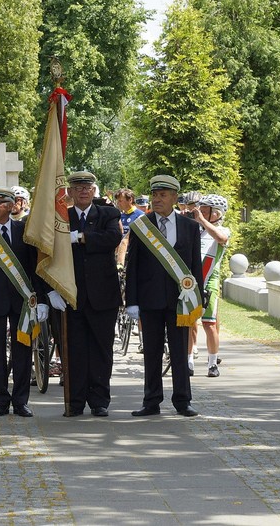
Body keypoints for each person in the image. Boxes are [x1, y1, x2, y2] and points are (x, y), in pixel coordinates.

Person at [125, 174, 203, 417]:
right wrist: (132, 301)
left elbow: (194, 266)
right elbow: (133, 265)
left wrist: (197, 299)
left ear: (174, 198)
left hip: (180, 300)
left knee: (180, 351)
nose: (157, 199)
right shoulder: (142, 226)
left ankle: (183, 400)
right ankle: (151, 401)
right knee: (152, 352)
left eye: (163, 195)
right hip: (150, 299)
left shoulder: (190, 227)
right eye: (155, 195)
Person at [0, 187, 47, 418]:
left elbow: (36, 269)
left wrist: (41, 300)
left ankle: (21, 401)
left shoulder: (26, 232)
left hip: (23, 301)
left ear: (11, 205)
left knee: (22, 350)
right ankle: (1, 400)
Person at [58, 171, 123, 416]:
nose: (84, 191)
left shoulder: (108, 213)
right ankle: (75, 402)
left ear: (94, 191)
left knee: (101, 350)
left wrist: (83, 237)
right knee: (74, 350)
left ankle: (99, 401)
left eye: (88, 187)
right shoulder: (62, 218)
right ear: (70, 192)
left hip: (102, 295)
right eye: (78, 187)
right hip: (71, 293)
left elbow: (113, 237)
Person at [188, 194, 231, 378]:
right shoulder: (194, 229)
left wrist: (203, 221)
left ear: (217, 213)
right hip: (191, 282)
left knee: (209, 324)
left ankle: (213, 363)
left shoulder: (224, 229)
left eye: (206, 210)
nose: (202, 212)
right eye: (201, 209)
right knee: (189, 322)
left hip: (209, 282)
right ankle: (188, 360)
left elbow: (220, 238)